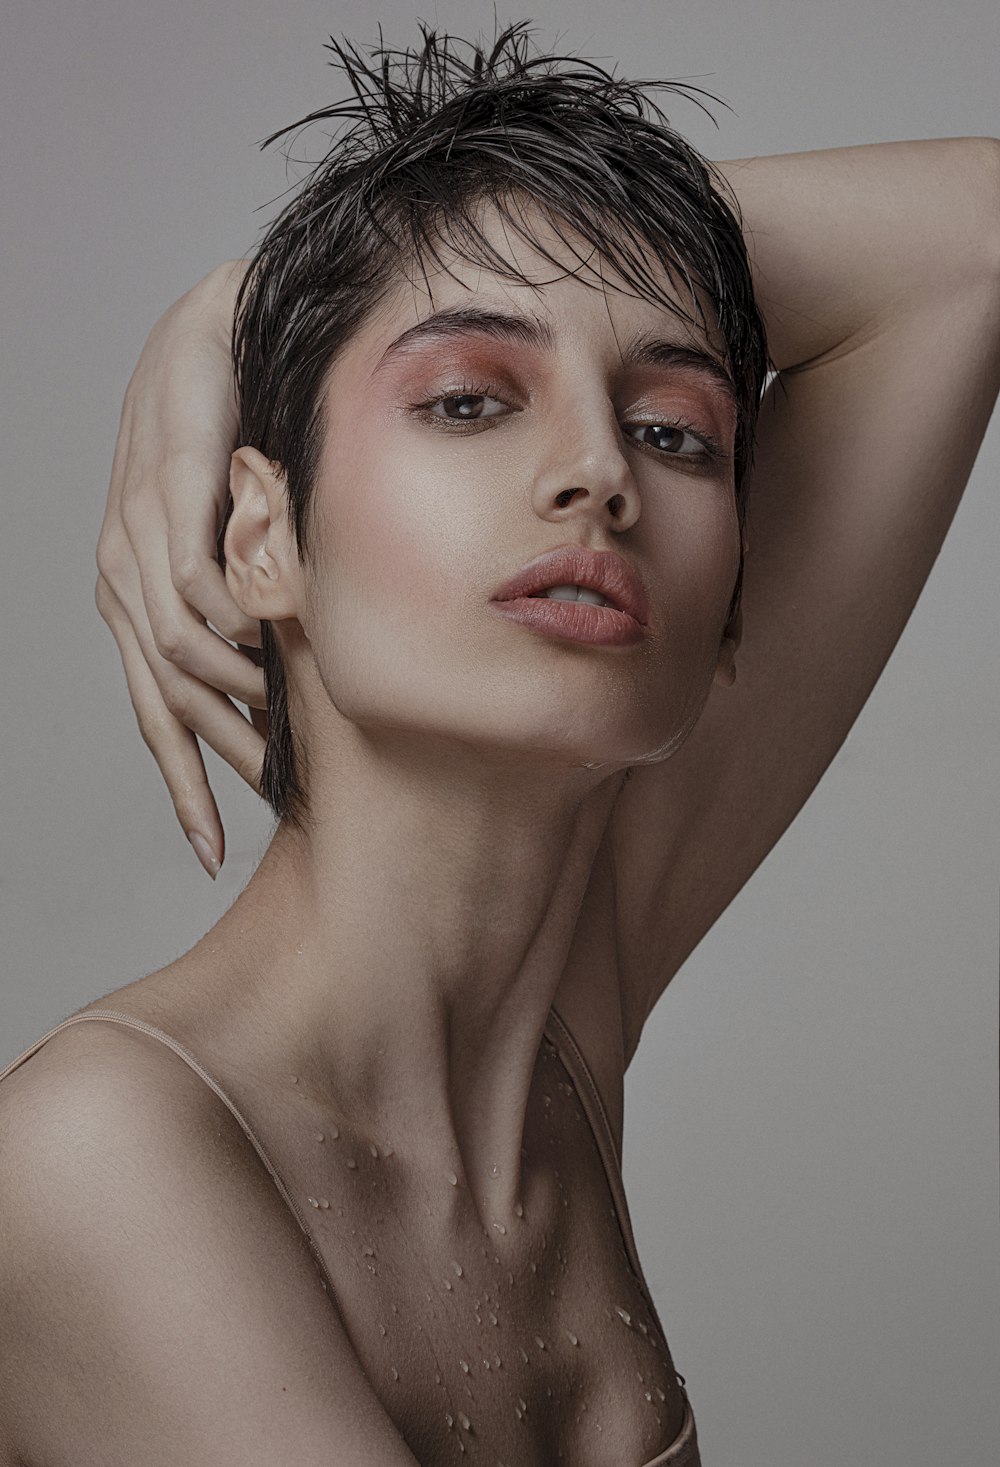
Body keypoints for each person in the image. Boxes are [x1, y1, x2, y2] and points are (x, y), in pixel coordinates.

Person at [1, 22, 998, 1467]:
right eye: (467, 397)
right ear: (262, 534)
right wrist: (301, 292)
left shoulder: (559, 1024)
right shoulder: (98, 1158)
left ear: (729, 608)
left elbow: (971, 240)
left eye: (675, 432)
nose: (599, 471)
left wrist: (235, 310)